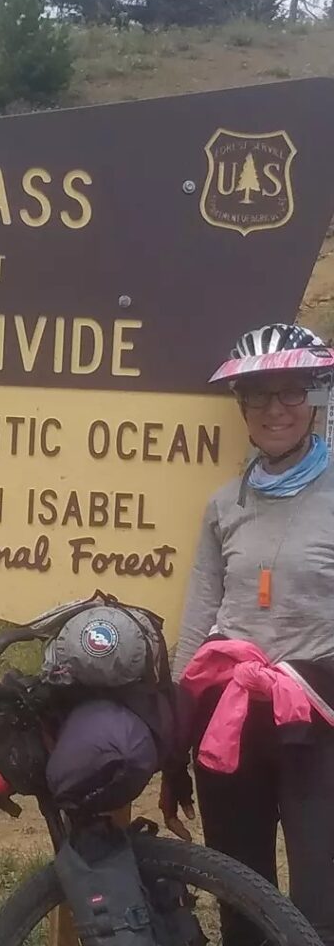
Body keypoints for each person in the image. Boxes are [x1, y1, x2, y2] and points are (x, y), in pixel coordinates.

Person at [163, 322, 334, 946]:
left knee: (322, 898)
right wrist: (174, 743)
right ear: (241, 407)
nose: (274, 409)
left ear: (313, 397)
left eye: (290, 393)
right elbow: (199, 621)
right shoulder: (223, 505)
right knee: (239, 889)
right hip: (229, 717)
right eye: (257, 395)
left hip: (319, 712)